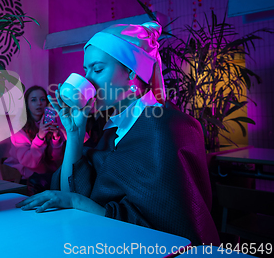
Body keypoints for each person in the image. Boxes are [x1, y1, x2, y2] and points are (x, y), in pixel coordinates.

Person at [16, 22, 220, 246]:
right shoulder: (114, 129)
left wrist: (76, 201)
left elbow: (164, 227)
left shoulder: (167, 127)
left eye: (98, 69)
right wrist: (75, 134)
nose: (88, 80)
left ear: (131, 71)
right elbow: (71, 190)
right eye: (86, 71)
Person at [4, 85, 66, 193]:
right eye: (33, 100)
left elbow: (56, 158)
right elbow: (29, 162)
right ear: (26, 105)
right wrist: (40, 137)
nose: (39, 103)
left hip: (47, 173)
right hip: (24, 174)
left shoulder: (50, 124)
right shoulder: (19, 128)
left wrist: (56, 138)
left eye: (42, 99)